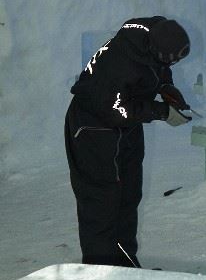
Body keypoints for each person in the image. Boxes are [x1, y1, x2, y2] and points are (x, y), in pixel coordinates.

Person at [65, 17, 192, 267]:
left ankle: (126, 268)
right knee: (102, 205)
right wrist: (160, 111)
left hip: (125, 129)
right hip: (94, 130)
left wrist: (165, 85)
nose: (169, 64)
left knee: (128, 197)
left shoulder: (152, 29)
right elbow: (115, 110)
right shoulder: (118, 65)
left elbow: (160, 65)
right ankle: (101, 274)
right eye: (168, 60)